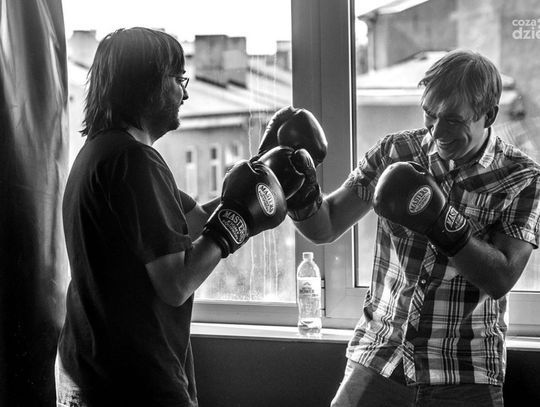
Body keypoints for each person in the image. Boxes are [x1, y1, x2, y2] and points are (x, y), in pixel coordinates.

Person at [55, 27, 302, 407]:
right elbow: (176, 283)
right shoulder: (134, 161)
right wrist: (237, 221)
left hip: (93, 369)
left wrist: (261, 172)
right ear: (148, 84)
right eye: (178, 79)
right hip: (132, 381)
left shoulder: (101, 152)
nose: (185, 94)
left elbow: (189, 222)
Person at [284, 49, 540, 406]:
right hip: (380, 355)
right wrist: (296, 188)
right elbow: (324, 227)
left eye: (453, 119)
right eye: (430, 114)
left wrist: (442, 221)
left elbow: (501, 278)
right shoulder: (395, 151)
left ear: (489, 115)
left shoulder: (521, 177)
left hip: (464, 369)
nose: (437, 131)